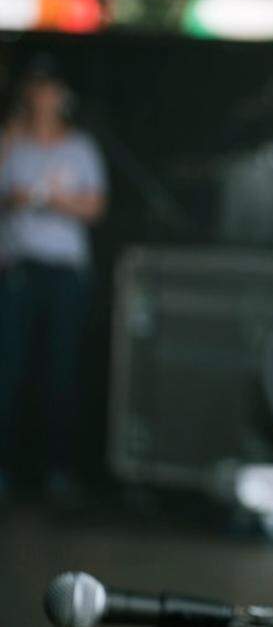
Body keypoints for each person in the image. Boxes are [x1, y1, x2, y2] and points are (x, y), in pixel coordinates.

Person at [0, 55, 107, 497]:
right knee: (10, 370)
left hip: (64, 273)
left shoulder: (79, 147)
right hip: (20, 271)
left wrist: (57, 200)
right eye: (35, 88)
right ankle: (6, 469)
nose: (42, 96)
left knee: (61, 371)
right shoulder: (11, 141)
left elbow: (95, 207)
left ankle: (58, 470)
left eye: (50, 88)